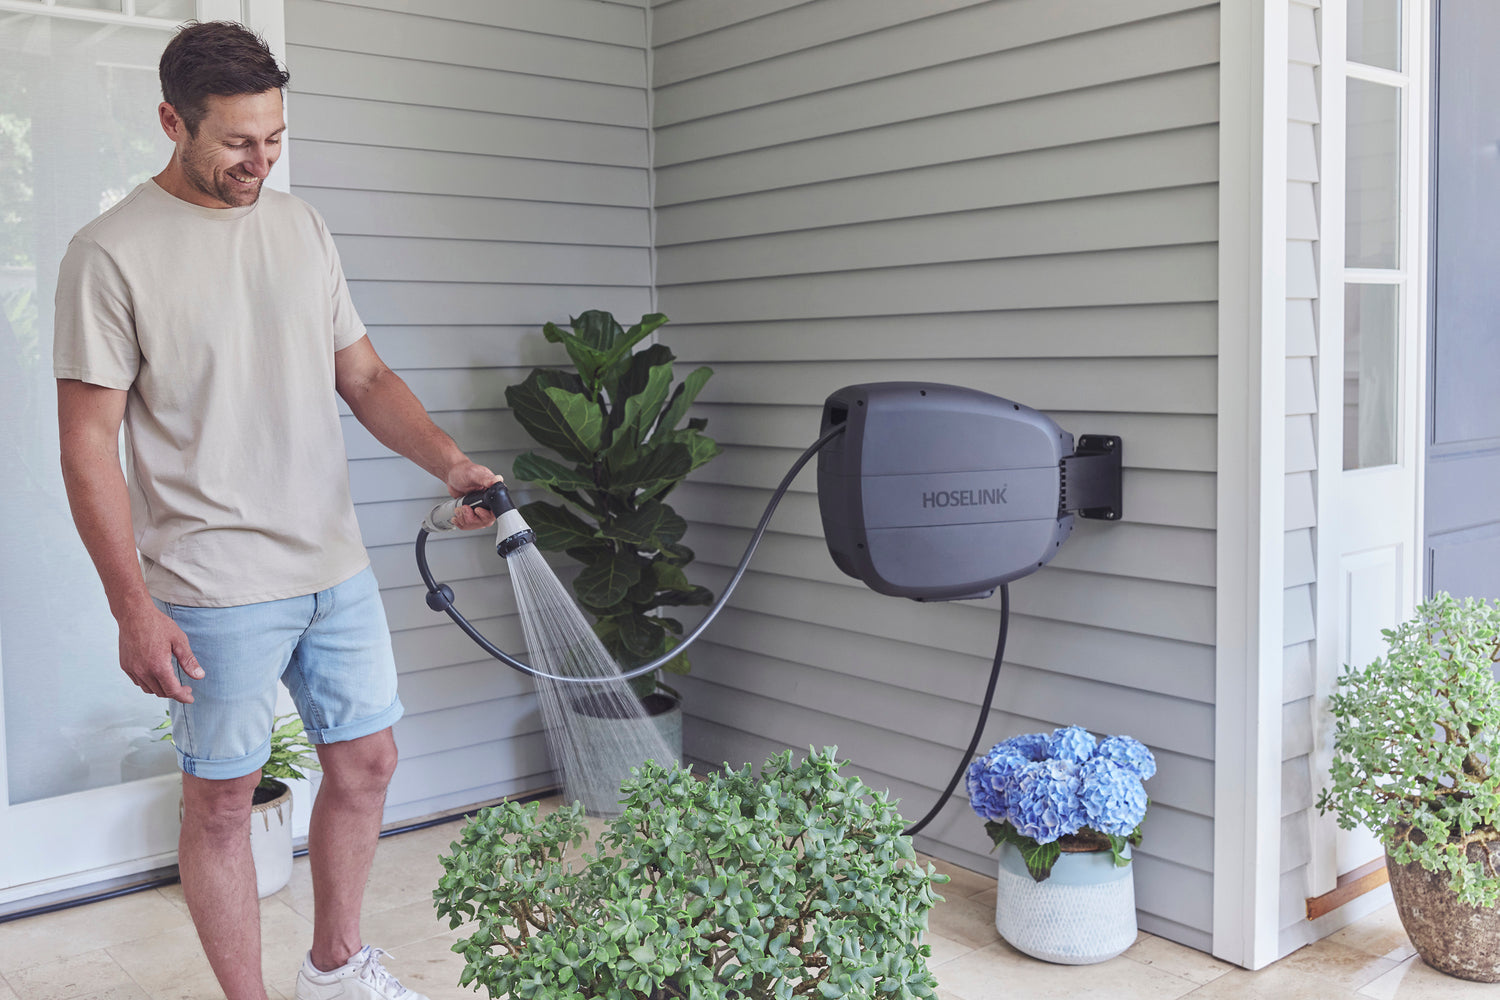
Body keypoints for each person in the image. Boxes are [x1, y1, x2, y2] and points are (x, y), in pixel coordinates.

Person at [53, 21, 494, 1000]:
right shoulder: (111, 253)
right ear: (172, 121)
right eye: (237, 143)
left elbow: (365, 376)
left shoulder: (301, 229)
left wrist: (450, 463)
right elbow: (87, 443)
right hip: (214, 582)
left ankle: (335, 967)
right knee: (220, 805)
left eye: (275, 138)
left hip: (331, 563)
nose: (260, 162)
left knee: (370, 760)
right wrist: (134, 604)